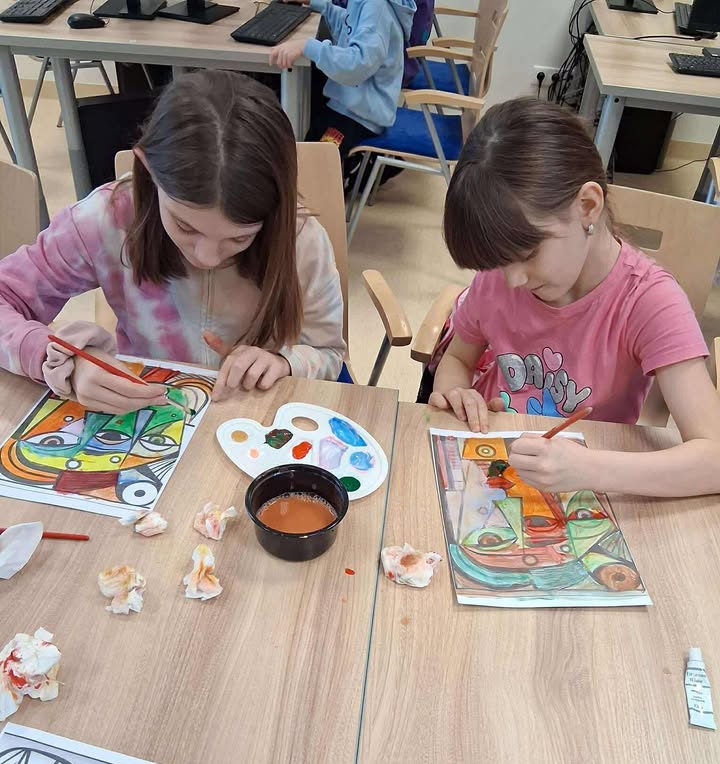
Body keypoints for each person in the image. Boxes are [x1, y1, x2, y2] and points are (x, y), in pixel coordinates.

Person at [0, 71, 345, 415]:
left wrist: (286, 361)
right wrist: (65, 365)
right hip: (148, 412)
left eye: (240, 237)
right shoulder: (104, 220)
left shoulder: (300, 239)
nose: (207, 257)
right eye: (185, 226)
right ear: (148, 171)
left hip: (253, 419)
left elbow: (328, 353)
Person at [427, 97, 720, 498]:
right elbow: (459, 359)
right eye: (500, 262)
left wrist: (588, 468)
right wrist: (457, 392)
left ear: (588, 206)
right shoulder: (500, 276)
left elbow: (714, 458)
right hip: (494, 468)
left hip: (590, 484)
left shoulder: (649, 301)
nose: (513, 279)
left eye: (529, 254)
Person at [270, 0, 415, 183]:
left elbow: (355, 66)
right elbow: (347, 24)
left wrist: (307, 46)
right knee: (304, 143)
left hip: (360, 115)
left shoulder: (376, 10)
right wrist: (319, 4)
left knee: (314, 162)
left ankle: (319, 194)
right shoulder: (366, 4)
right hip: (348, 103)